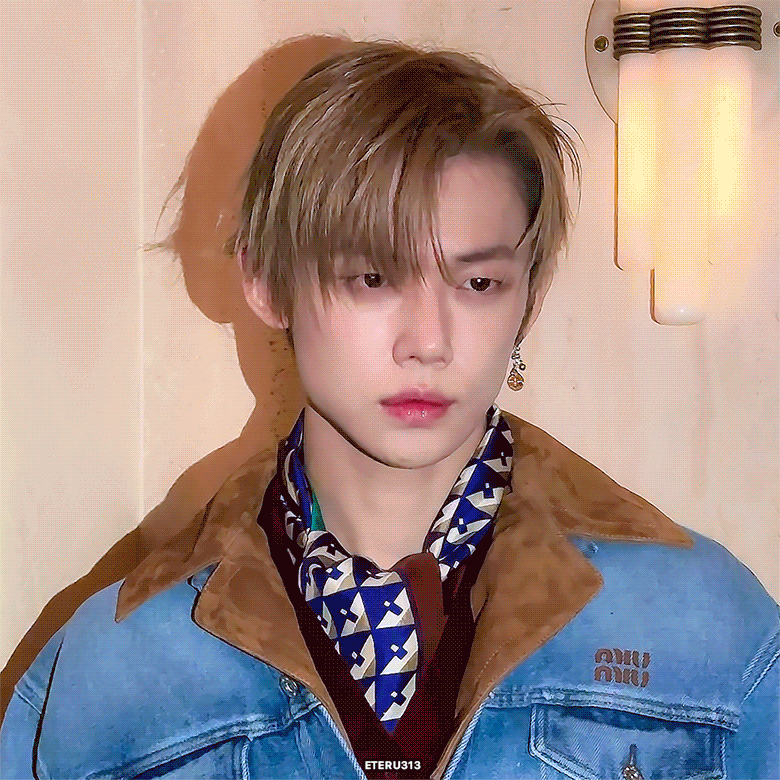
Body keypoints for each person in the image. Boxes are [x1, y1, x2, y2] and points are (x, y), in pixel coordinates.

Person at [1, 40, 777, 780]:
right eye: (372, 278)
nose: (429, 342)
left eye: (478, 284)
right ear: (265, 281)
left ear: (528, 299)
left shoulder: (702, 628)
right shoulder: (113, 676)